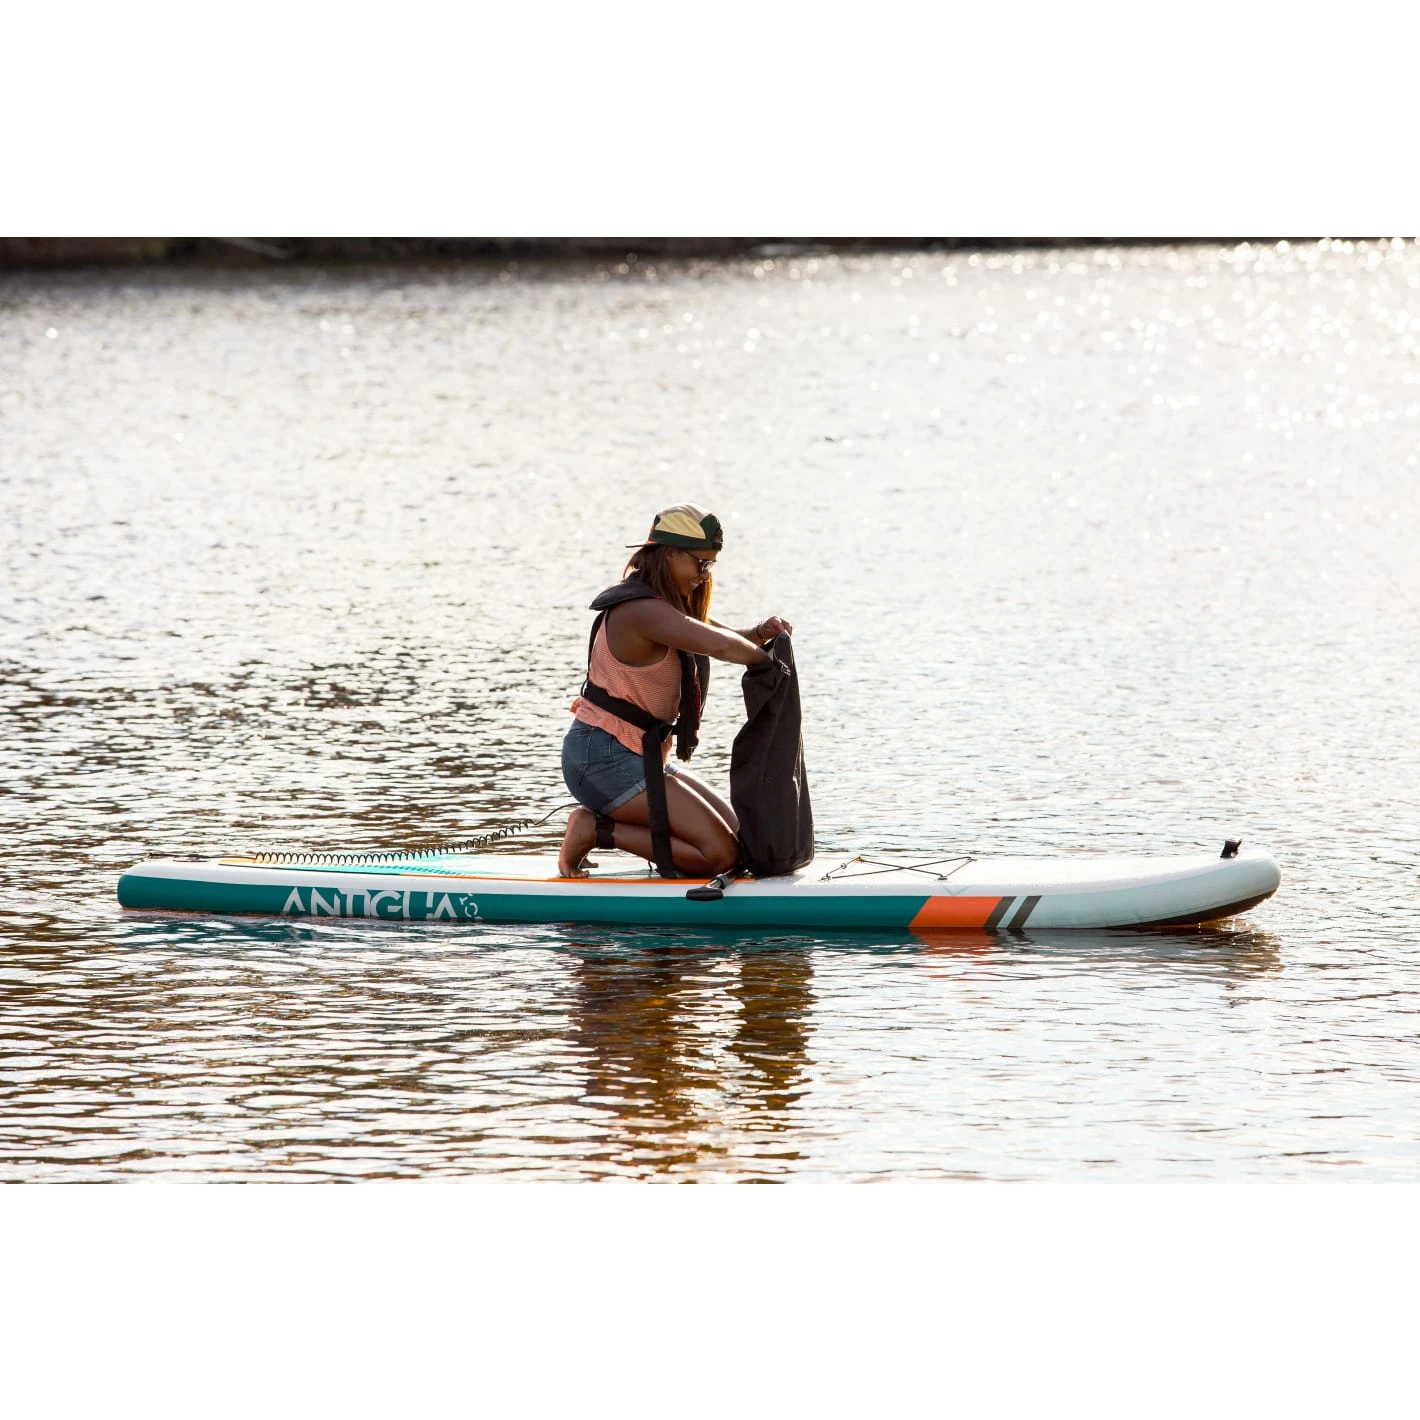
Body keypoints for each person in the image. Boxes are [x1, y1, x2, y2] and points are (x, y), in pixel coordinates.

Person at [558, 504, 793, 878]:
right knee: (720, 856)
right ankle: (596, 830)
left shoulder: (665, 609)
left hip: (639, 756)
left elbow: (721, 636)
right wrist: (770, 665)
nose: (704, 574)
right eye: (699, 563)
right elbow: (719, 645)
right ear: (669, 554)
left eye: (710, 565)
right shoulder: (640, 611)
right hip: (601, 759)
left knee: (742, 839)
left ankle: (603, 825)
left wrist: (761, 633)